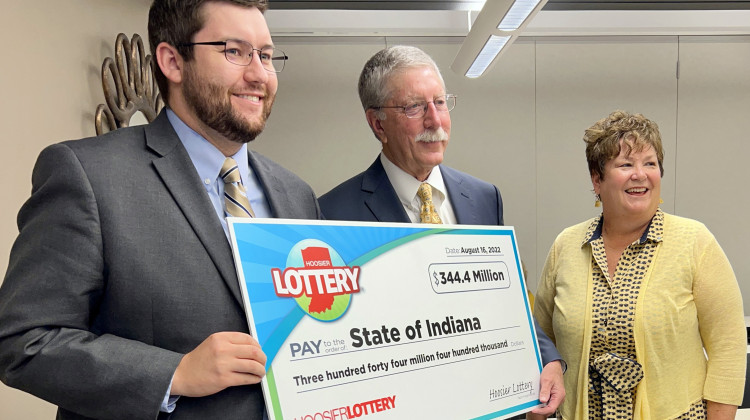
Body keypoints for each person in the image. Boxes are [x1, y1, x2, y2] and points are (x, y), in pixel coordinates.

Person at [0, 1, 321, 419]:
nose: (259, 74)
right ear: (172, 61)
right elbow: (23, 341)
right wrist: (175, 372)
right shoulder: (87, 176)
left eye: (265, 54)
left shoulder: (297, 194)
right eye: (234, 51)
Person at [318, 45, 565, 417]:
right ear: (377, 123)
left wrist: (548, 360)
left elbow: (508, 300)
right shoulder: (331, 214)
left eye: (441, 102)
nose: (436, 121)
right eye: (415, 107)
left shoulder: (484, 197)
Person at [533, 110, 746, 419]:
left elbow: (729, 349)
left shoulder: (695, 242)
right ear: (597, 178)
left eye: (650, 163)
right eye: (625, 164)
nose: (641, 174)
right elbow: (540, 342)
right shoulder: (567, 245)